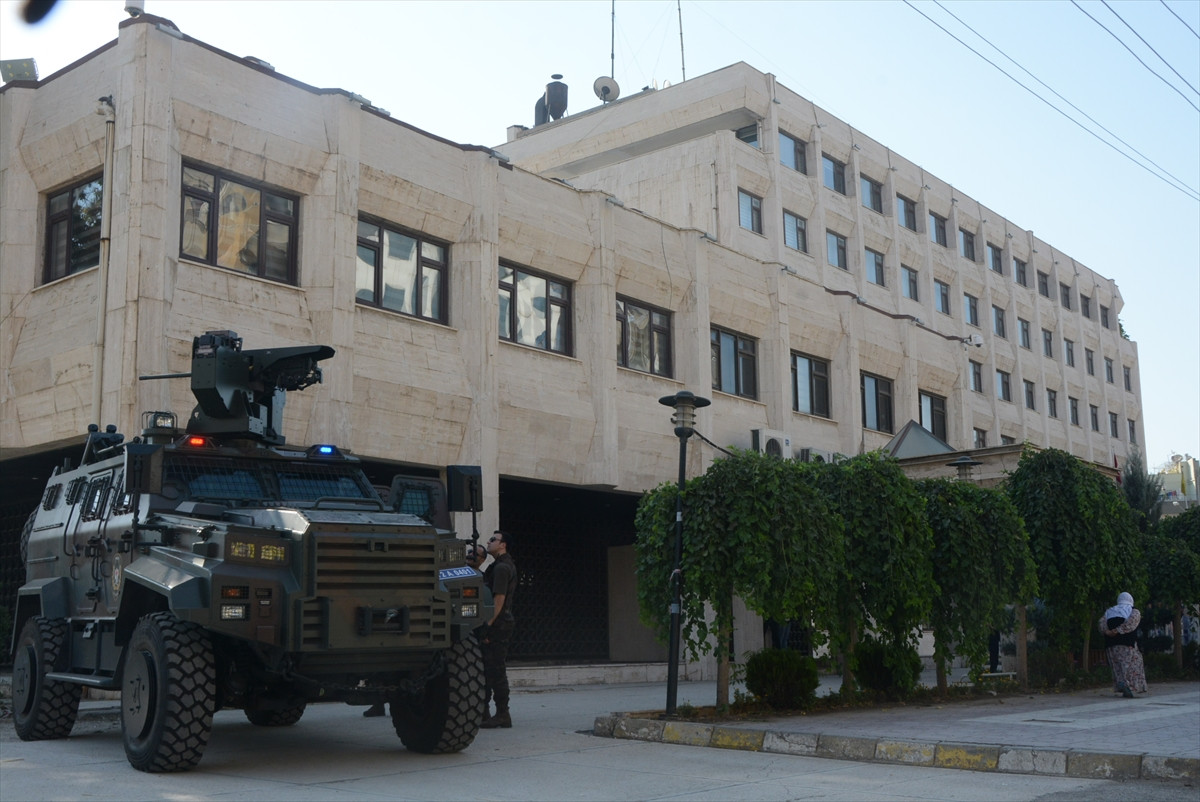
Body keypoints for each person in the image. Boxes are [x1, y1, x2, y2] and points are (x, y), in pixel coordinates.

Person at [474, 529, 517, 728]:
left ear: (503, 545)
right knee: (487, 668)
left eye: (493, 539)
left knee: (495, 670)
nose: (489, 542)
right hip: (498, 623)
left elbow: (498, 599)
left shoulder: (502, 568)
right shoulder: (498, 566)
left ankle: (502, 714)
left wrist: (488, 625)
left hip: (497, 625)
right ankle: (486, 712)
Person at [1099, 591, 1148, 698]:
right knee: (1131, 665)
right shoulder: (1133, 611)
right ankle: (1130, 686)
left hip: (1111, 645)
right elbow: (1131, 624)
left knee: (1117, 666)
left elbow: (1102, 624)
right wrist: (1117, 630)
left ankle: (1121, 684)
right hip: (1127, 644)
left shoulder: (1109, 611)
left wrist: (1108, 632)